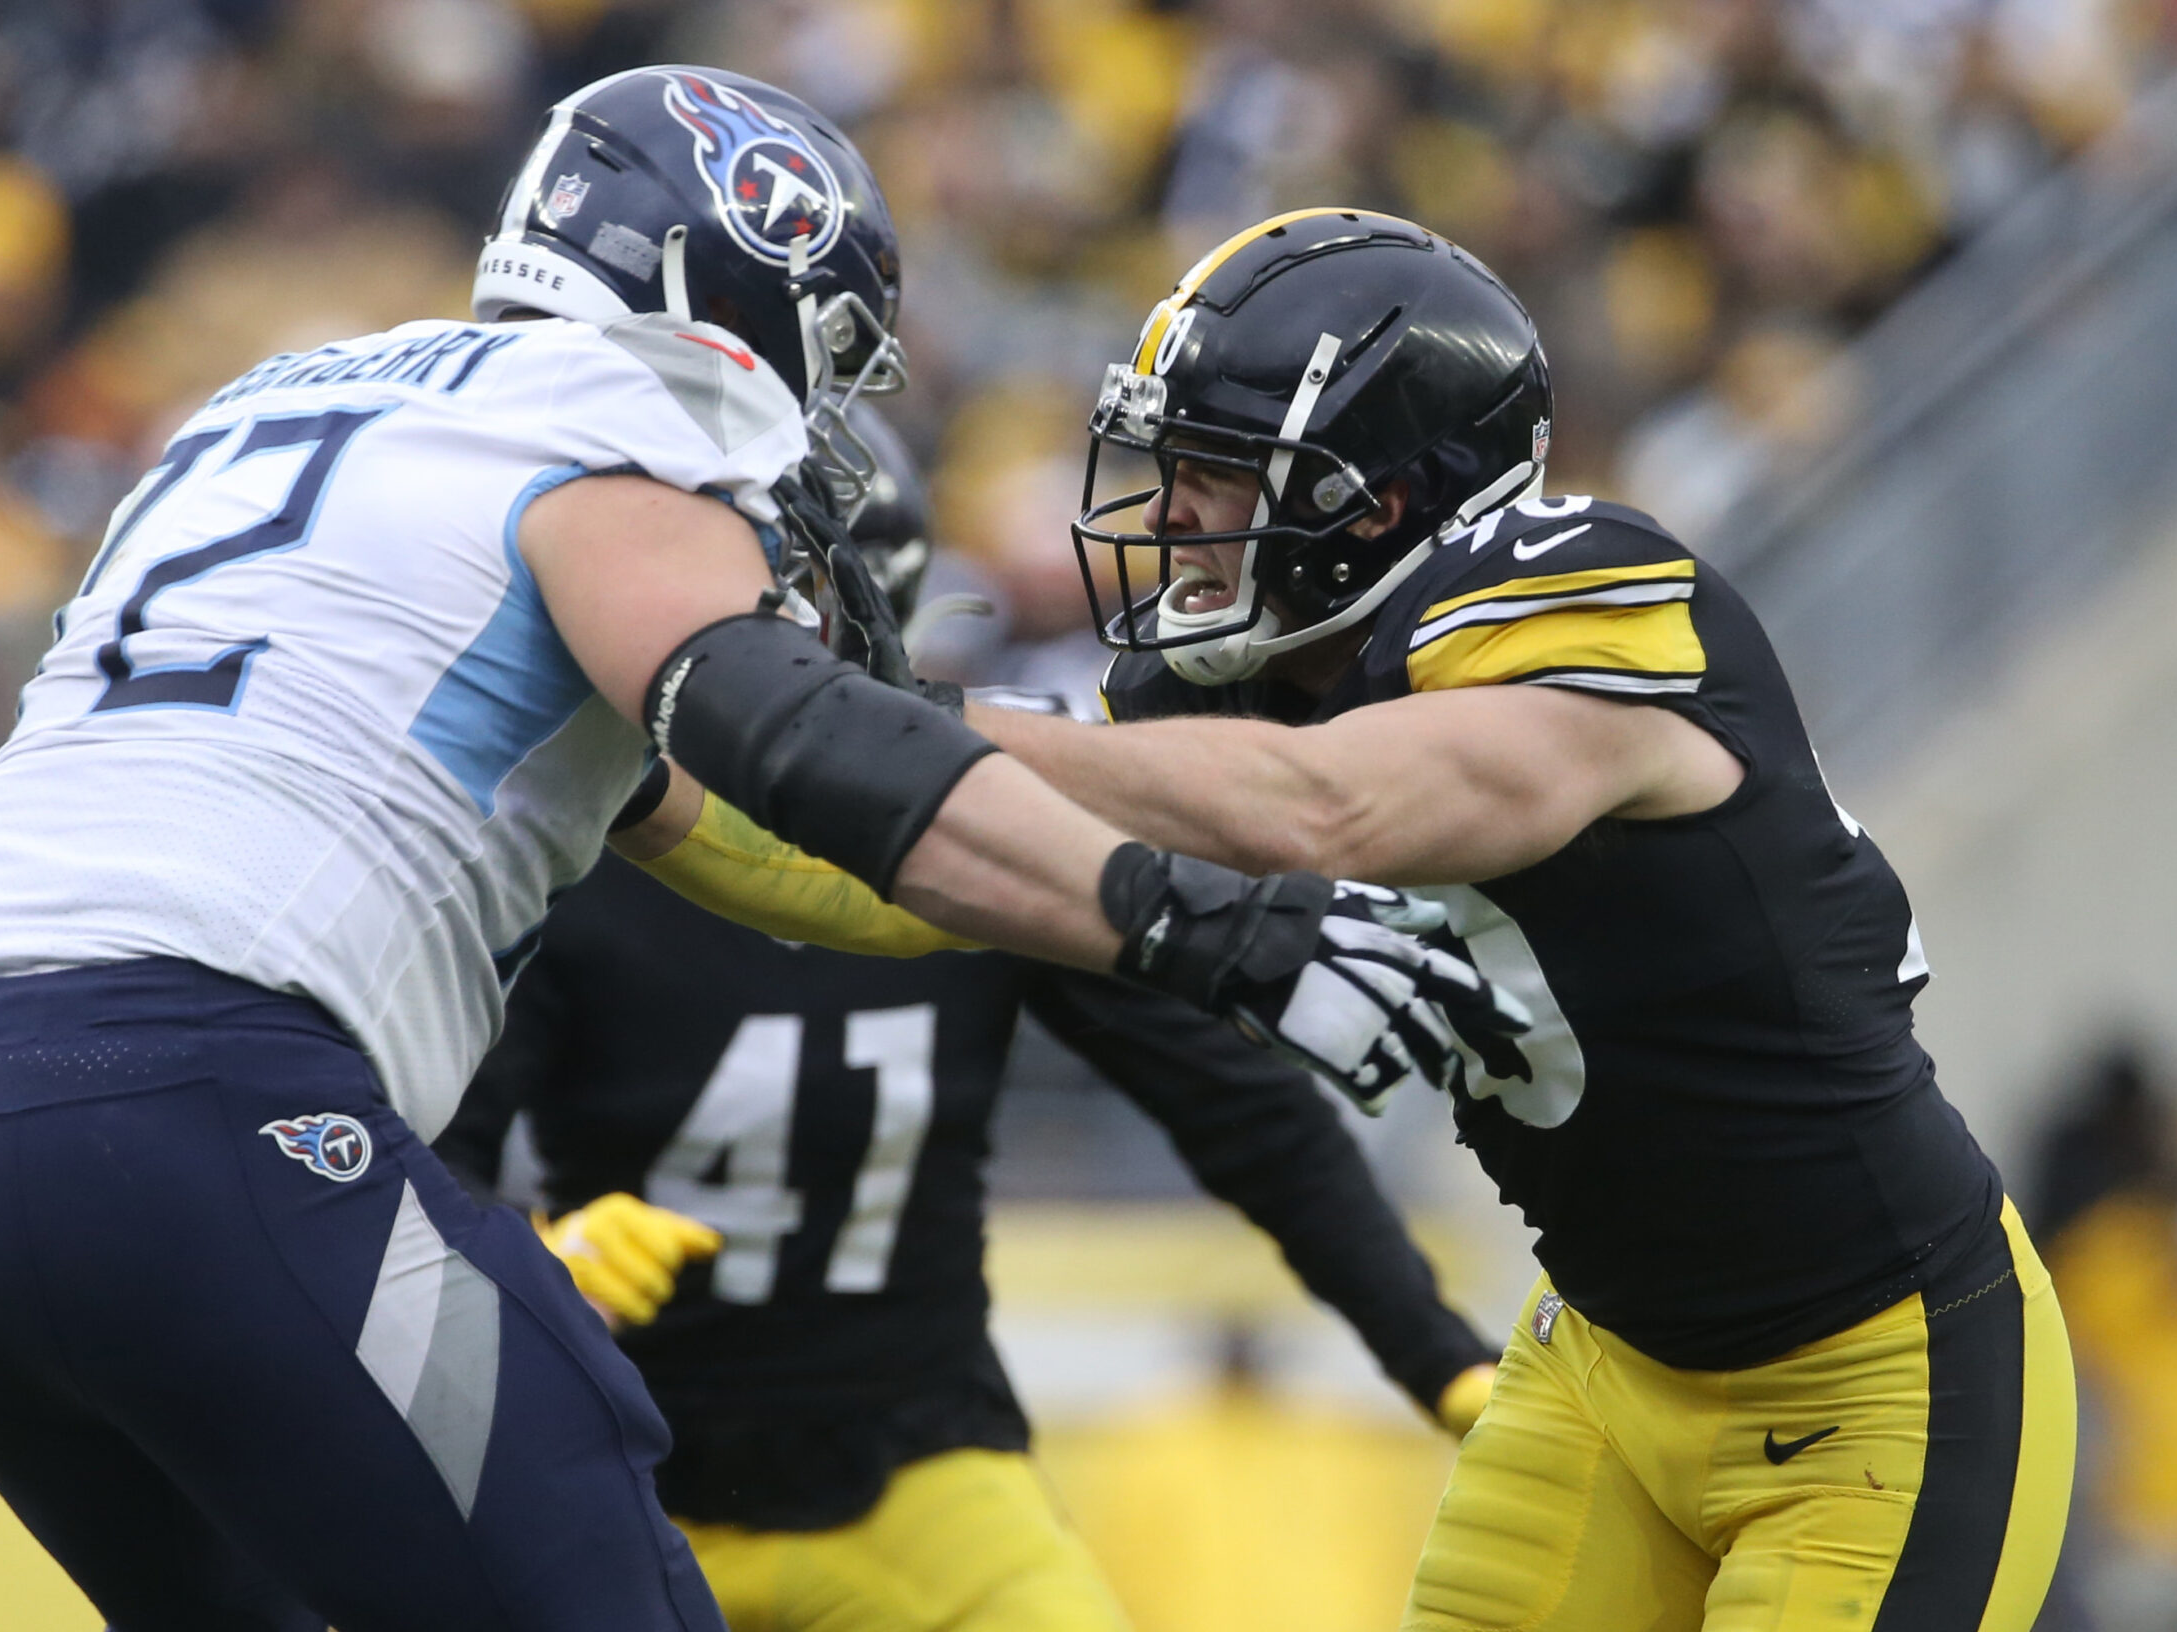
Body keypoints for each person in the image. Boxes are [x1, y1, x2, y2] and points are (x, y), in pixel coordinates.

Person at [0, 68, 1521, 1632]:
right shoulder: (620, 423)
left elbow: (773, 851)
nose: (823, 424)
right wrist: (1207, 928)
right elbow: (786, 734)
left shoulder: (297, 402)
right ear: (736, 285)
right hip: (197, 1110)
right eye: (830, 352)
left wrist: (1115, 903)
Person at [701, 208, 2076, 1631]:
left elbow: (1327, 809)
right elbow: (928, 877)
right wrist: (672, 769)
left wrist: (900, 719)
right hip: (1606, 1363)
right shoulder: (1235, 685)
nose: (1168, 511)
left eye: (1217, 475)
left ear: (1375, 501)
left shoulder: (1583, 594)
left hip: (1881, 1382)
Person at [437, 427, 1500, 1632]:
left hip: (917, 1461)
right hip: (623, 1466)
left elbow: (1240, 1111)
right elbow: (425, 1146)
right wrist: (528, 1262)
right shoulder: (574, 852)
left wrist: (1433, 1350)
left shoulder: (973, 843)